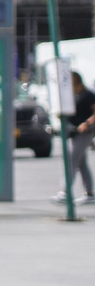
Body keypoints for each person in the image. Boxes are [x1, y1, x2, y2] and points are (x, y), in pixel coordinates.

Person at [63, 72, 92, 207]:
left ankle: (65, 191)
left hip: (85, 131)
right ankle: (90, 193)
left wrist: (87, 123)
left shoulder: (87, 95)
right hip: (76, 132)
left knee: (72, 159)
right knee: (81, 163)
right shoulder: (77, 95)